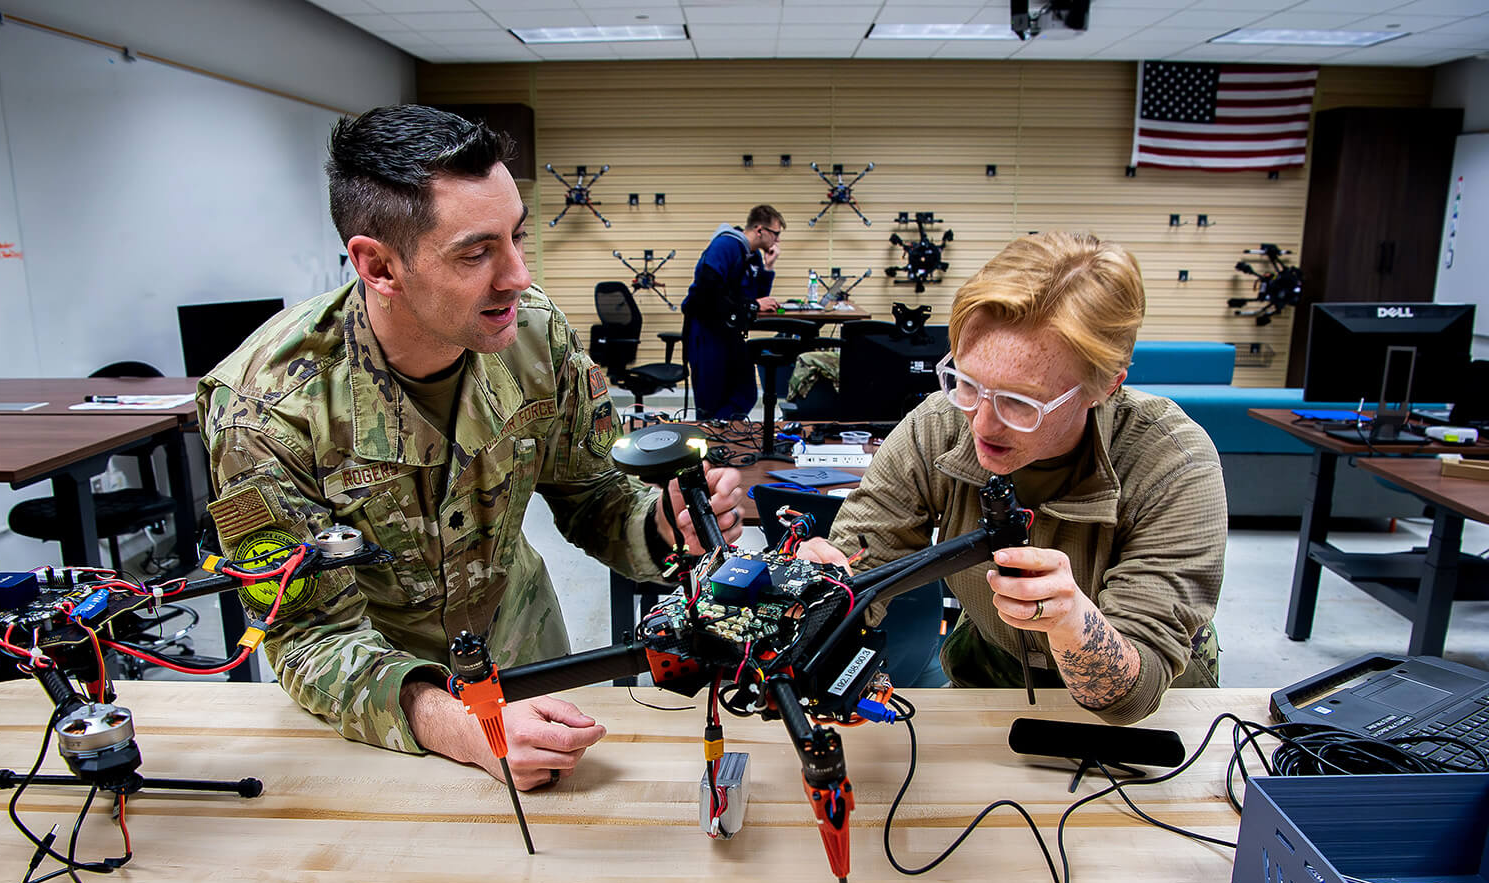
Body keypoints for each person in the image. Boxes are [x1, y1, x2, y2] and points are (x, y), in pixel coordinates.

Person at [196, 105, 745, 790]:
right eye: (476, 252)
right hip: (385, 710)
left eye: (516, 236)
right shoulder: (265, 411)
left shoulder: (534, 335)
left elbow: (593, 489)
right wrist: (464, 727)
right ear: (379, 266)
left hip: (529, 659)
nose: (518, 275)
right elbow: (308, 635)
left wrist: (662, 526)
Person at [798, 232, 1226, 724]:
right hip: (992, 664)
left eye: (1021, 402)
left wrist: (1069, 621)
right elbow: (855, 568)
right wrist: (820, 596)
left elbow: (1134, 693)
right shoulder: (939, 424)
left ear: (1105, 386)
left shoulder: (1173, 464)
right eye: (966, 382)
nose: (980, 423)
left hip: (1151, 697)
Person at [681, 205, 784, 420]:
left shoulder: (754, 257)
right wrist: (752, 305)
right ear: (759, 230)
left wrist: (768, 267)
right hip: (706, 330)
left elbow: (757, 297)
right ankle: (711, 438)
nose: (777, 240)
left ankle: (721, 433)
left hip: (730, 331)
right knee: (710, 400)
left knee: (745, 393)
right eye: (776, 234)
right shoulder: (726, 245)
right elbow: (707, 291)